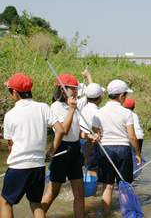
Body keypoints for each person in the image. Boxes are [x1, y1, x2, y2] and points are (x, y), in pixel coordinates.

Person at [1, 74, 64, 218]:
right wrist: (51, 152)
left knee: (5, 202)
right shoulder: (42, 107)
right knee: (36, 203)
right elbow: (60, 130)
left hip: (18, 167)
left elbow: (11, 145)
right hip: (38, 167)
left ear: (15, 93)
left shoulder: (10, 115)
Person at [42, 74, 97, 218]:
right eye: (73, 89)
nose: (76, 92)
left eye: (76, 89)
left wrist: (89, 135)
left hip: (75, 149)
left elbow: (77, 132)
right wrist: (72, 110)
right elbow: (64, 131)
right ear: (62, 89)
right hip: (61, 149)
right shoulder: (56, 106)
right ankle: (39, 214)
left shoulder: (74, 105)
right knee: (53, 192)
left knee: (80, 192)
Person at [91, 80, 141, 214]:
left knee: (107, 186)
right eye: (125, 94)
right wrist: (137, 153)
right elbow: (132, 136)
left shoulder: (99, 112)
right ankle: (126, 214)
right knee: (124, 186)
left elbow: (95, 132)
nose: (125, 97)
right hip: (123, 149)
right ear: (120, 95)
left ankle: (106, 215)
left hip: (105, 150)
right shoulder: (127, 113)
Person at [79, 83, 105, 179]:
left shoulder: (84, 107)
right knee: (93, 169)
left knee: (83, 167)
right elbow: (96, 132)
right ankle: (92, 193)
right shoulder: (97, 112)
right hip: (90, 142)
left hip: (81, 139)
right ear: (100, 97)